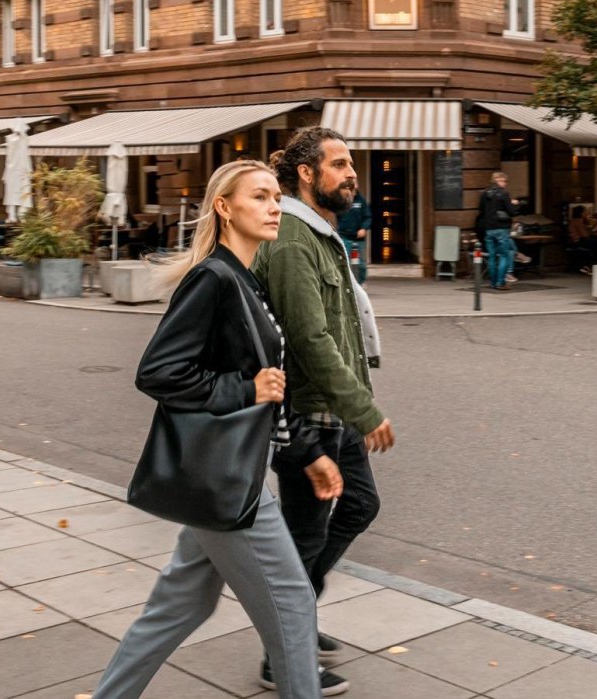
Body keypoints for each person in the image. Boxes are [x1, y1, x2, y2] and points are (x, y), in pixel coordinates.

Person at [92, 160, 349, 699]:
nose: (274, 206)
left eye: (276, 197)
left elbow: (269, 390)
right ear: (224, 208)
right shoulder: (214, 278)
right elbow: (158, 372)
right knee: (295, 606)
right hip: (231, 483)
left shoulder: (244, 279)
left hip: (223, 478)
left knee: (179, 606)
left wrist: (306, 451)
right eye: (259, 197)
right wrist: (243, 390)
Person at [253, 127, 397, 690]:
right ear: (307, 174)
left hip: (335, 412)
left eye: (351, 163)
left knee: (360, 505)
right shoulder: (291, 238)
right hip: (309, 414)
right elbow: (309, 337)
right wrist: (364, 409)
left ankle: (298, 614)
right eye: (339, 164)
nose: (352, 173)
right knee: (304, 536)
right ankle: (281, 651)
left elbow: (339, 330)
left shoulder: (318, 233)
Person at [476, 172, 518, 290]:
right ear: (499, 181)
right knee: (504, 255)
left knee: (492, 257)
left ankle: (493, 283)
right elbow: (511, 212)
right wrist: (514, 204)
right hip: (501, 228)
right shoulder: (504, 194)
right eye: (504, 181)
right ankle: (500, 282)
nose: (505, 184)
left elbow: (481, 210)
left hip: (489, 229)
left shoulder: (484, 194)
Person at [336, 190, 371, 284]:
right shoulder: (342, 200)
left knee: (361, 265)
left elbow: (368, 217)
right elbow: (334, 216)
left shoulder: (361, 201)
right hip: (344, 236)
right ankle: (345, 285)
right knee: (344, 262)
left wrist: (364, 228)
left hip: (359, 238)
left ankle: (360, 283)